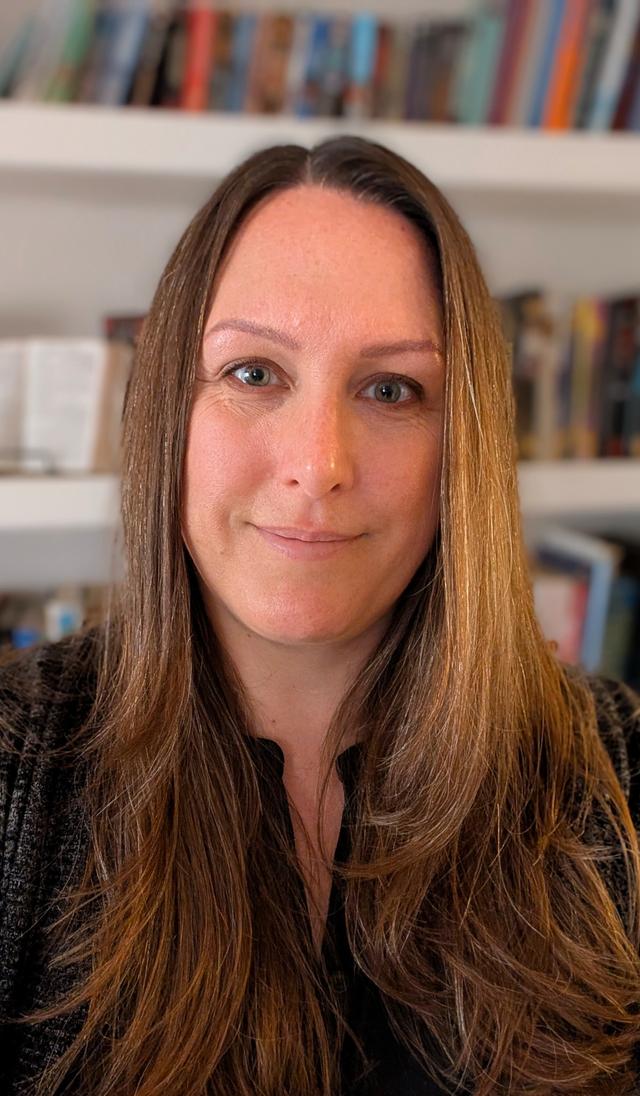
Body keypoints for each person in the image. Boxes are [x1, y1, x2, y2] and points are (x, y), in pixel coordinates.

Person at [1, 135, 639, 1096]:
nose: (318, 462)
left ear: (459, 444)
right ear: (169, 409)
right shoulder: (14, 768)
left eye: (391, 389)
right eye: (254, 373)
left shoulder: (620, 777)